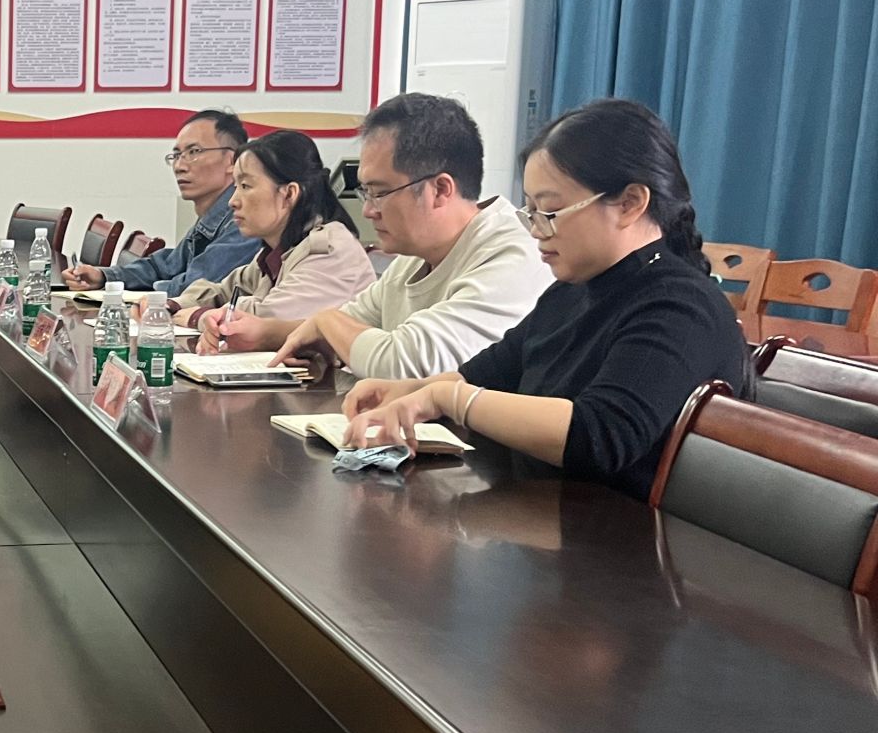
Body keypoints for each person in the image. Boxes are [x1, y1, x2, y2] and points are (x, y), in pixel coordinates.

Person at [343, 99, 753, 500]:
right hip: (543, 512)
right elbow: (486, 373)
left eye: (551, 212)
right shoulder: (571, 291)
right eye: (531, 212)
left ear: (630, 203)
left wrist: (446, 398)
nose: (536, 230)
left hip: (620, 534)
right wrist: (410, 393)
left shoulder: (679, 306)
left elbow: (598, 435)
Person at [212, 93, 551, 375]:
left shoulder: (514, 253)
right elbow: (350, 325)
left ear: (440, 190)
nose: (368, 211)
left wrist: (326, 321)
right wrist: (259, 333)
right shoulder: (413, 260)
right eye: (366, 193)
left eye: (380, 192)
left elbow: (407, 361)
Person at [173, 130, 377, 333]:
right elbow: (222, 290)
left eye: (245, 186)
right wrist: (174, 306)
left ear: (289, 194)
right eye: (235, 186)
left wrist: (199, 316)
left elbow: (267, 320)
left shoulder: (329, 251)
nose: (232, 201)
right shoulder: (274, 253)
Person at [63, 111, 258, 293]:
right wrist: (104, 277)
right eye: (177, 155)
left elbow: (193, 288)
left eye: (194, 152)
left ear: (232, 161)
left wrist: (143, 295)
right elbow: (164, 267)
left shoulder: (243, 221)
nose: (179, 166)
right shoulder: (211, 215)